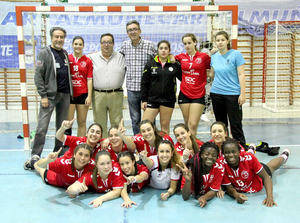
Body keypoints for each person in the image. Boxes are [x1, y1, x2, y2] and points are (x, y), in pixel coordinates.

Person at [24, 27, 73, 170]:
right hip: (49, 97)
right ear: (51, 37)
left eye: (62, 37)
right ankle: (35, 155)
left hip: (64, 96)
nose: (59, 39)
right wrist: (43, 95)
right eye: (56, 37)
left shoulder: (64, 53)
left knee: (62, 127)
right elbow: (38, 75)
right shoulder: (44, 53)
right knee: (42, 127)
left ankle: (58, 153)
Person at [221, 138, 290, 207]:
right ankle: (251, 149)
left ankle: (284, 156)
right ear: (223, 154)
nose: (230, 155)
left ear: (239, 152)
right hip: (246, 172)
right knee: (250, 157)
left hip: (255, 177)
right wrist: (236, 195)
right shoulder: (222, 165)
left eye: (233, 152)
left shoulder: (248, 158)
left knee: (270, 167)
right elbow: (228, 187)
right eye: (227, 152)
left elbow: (266, 177)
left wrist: (270, 196)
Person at [210, 31, 247, 147]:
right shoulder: (214, 57)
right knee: (221, 125)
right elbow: (211, 75)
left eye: (222, 40)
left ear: (227, 41)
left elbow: (241, 75)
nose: (220, 42)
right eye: (218, 40)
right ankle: (223, 148)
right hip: (216, 93)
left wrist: (243, 93)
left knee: (236, 124)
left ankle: (241, 149)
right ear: (215, 42)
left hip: (233, 94)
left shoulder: (236, 54)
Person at [120, 20, 156, 135]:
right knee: (135, 120)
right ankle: (138, 142)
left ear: (140, 31)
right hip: (131, 89)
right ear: (127, 33)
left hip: (148, 89)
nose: (133, 32)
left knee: (149, 120)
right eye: (130, 30)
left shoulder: (150, 45)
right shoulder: (124, 46)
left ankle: (152, 143)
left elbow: (159, 61)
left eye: (135, 29)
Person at [89, 33, 126, 138]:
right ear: (100, 44)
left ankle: (117, 149)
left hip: (116, 94)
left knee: (117, 123)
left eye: (109, 42)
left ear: (113, 44)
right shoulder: (92, 57)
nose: (106, 45)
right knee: (99, 124)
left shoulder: (121, 57)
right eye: (104, 42)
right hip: (98, 95)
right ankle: (102, 149)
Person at [141, 40, 182, 134]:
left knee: (165, 128)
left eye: (166, 48)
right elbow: (144, 83)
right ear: (157, 50)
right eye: (161, 48)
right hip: (152, 100)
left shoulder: (174, 64)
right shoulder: (150, 64)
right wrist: (144, 100)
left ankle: (164, 148)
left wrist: (176, 63)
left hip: (168, 100)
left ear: (169, 51)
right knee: (145, 126)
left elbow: (182, 78)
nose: (163, 51)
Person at [175, 33, 211, 136]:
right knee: (187, 125)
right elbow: (169, 58)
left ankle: (194, 149)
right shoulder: (180, 57)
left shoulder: (204, 57)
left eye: (189, 43)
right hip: (184, 93)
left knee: (193, 124)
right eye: (185, 43)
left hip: (198, 94)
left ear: (195, 42)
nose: (187, 45)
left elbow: (211, 68)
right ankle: (188, 148)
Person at [178, 142, 224, 208]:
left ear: (217, 157)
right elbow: (185, 197)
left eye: (214, 155)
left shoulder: (219, 167)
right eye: (207, 154)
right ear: (201, 155)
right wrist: (188, 181)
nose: (210, 157)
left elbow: (213, 191)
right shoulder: (191, 168)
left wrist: (204, 197)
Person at [65, 36, 93, 137]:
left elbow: (89, 79)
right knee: (69, 122)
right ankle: (68, 146)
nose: (78, 46)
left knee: (82, 122)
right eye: (76, 44)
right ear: (72, 45)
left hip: (83, 95)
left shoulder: (87, 61)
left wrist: (89, 96)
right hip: (70, 94)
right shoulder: (67, 59)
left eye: (80, 44)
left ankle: (80, 145)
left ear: (83, 46)